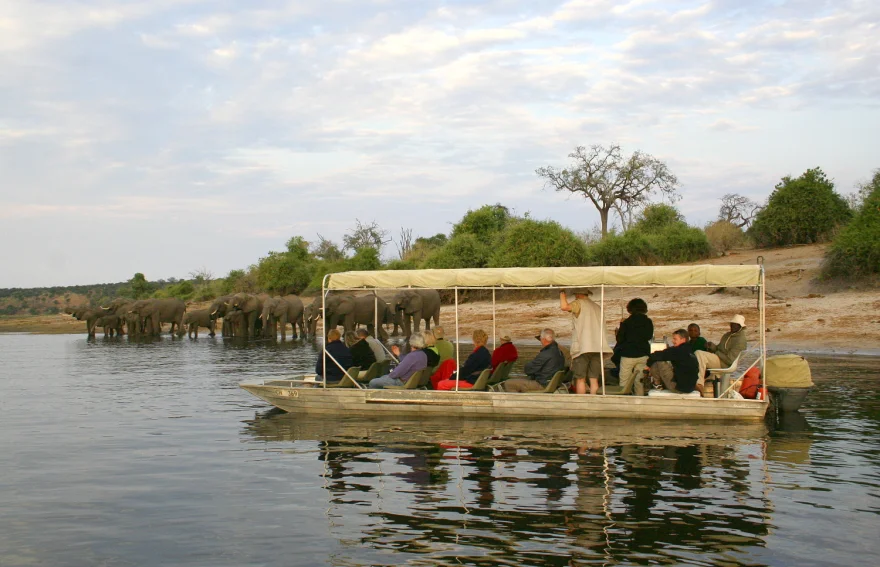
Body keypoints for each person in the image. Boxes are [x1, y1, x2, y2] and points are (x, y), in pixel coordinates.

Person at [559, 288, 612, 395]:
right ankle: (594, 402)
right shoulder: (597, 307)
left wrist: (561, 293)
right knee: (594, 379)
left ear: (577, 295)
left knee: (580, 379)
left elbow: (564, 307)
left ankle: (581, 402)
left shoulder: (579, 303)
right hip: (598, 347)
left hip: (583, 347)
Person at [695, 315, 748, 393]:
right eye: (732, 324)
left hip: (725, 364)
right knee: (697, 354)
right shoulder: (727, 335)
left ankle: (699, 384)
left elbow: (730, 360)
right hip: (719, 359)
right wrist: (712, 346)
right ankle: (698, 383)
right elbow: (719, 349)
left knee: (699, 353)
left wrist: (716, 352)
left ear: (740, 326)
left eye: (736, 324)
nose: (733, 326)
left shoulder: (740, 340)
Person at [615, 298, 653, 395]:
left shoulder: (627, 322)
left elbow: (620, 339)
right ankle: (639, 402)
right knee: (639, 381)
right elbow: (649, 336)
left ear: (630, 309)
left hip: (628, 354)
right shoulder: (648, 321)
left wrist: (621, 325)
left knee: (624, 381)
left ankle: (624, 401)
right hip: (643, 354)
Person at [644, 329, 699, 394]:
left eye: (675, 339)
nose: (672, 341)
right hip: (690, 388)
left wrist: (648, 365)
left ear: (683, 340)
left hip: (678, 388)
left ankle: (657, 384)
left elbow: (656, 355)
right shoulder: (690, 350)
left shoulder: (678, 350)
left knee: (659, 361)